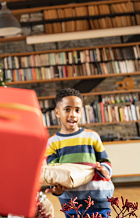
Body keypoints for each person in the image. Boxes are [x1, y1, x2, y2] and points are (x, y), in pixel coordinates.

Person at [45, 88, 114, 218]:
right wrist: (57, 190)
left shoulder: (92, 136)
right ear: (57, 112)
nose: (73, 114)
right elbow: (53, 172)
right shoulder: (52, 142)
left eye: (77, 110)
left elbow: (106, 161)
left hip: (99, 198)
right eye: (67, 109)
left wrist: (105, 170)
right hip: (71, 203)